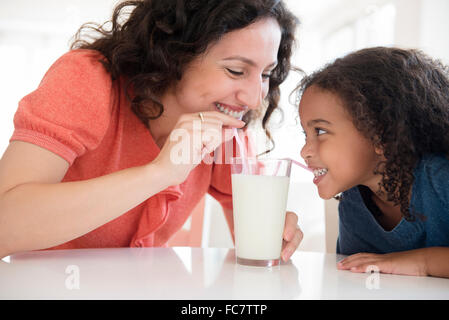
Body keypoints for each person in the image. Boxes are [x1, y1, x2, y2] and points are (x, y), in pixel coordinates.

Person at [0, 0, 303, 261]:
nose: (253, 98)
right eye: (235, 70)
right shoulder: (89, 79)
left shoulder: (222, 124)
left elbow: (254, 234)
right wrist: (159, 173)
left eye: (265, 74)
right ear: (175, 52)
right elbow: (5, 224)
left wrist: (274, 235)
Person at [296, 47, 449, 278]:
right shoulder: (354, 202)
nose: (304, 151)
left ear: (381, 135)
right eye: (305, 134)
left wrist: (422, 263)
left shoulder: (440, 177)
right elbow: (355, 280)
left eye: (320, 131)